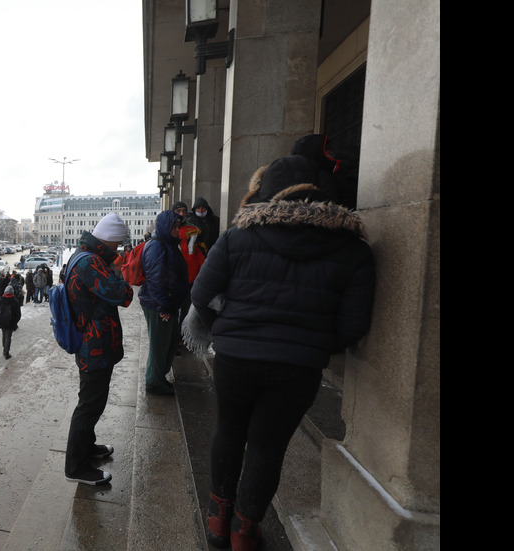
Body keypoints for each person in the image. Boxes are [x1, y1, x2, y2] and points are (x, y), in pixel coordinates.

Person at [190, 155, 375, 550]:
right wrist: (315, 344)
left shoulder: (238, 236)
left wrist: (221, 328)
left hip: (236, 358)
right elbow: (353, 325)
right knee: (266, 448)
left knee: (228, 432)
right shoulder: (353, 249)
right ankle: (244, 530)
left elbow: (201, 295)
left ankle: (218, 521)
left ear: (266, 191)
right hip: (299, 367)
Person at [63, 213, 134, 485]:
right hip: (93, 346)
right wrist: (118, 270)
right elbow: (122, 294)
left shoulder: (83, 255)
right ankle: (76, 467)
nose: (117, 250)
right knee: (89, 405)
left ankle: (87, 447)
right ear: (108, 241)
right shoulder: (91, 263)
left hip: (94, 343)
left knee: (93, 401)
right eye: (116, 245)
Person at [138, 210, 190, 396]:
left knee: (170, 341)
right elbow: (156, 279)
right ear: (165, 227)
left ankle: (159, 377)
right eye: (174, 227)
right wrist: (164, 307)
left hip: (166, 303)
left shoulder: (168, 244)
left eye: (179, 226)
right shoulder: (157, 246)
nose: (178, 230)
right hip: (158, 304)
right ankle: (153, 381)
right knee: (160, 345)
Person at [0, 284, 22, 360]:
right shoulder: (15, 301)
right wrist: (15, 322)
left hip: (2, 321)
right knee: (8, 336)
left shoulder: (1, 300)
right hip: (11, 322)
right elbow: (18, 314)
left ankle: (4, 349)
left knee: (4, 335)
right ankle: (6, 351)